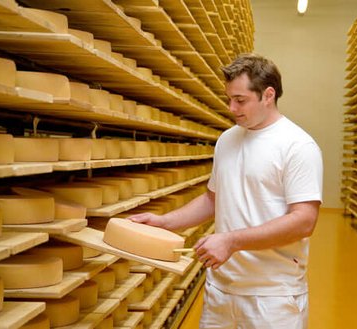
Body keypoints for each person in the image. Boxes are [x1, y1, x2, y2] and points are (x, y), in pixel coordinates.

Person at [127, 53, 323, 328]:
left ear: (268, 95)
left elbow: (304, 221)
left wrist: (231, 241)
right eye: (229, 98)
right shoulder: (228, 139)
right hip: (221, 289)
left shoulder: (298, 146)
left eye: (240, 100)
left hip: (271, 297)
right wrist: (164, 223)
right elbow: (213, 199)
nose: (232, 108)